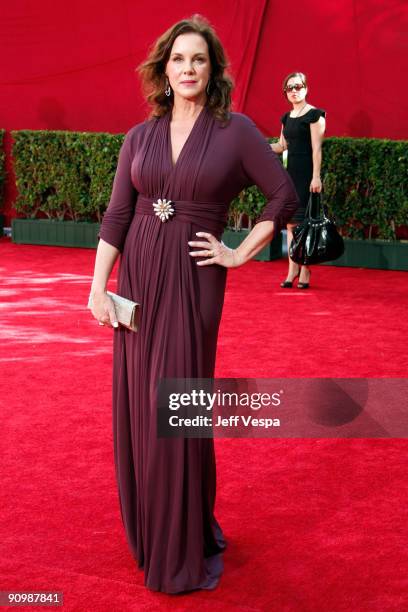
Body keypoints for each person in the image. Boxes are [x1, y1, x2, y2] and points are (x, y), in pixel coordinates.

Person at [89, 15, 298, 594]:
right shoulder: (139, 136)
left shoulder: (235, 132)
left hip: (193, 279)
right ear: (163, 69)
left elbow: (284, 193)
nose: (187, 69)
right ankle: (164, 528)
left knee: (174, 406)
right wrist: (97, 287)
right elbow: (116, 217)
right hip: (136, 283)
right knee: (140, 404)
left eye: (198, 60)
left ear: (213, 70)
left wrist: (239, 253)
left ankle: (178, 544)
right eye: (178, 59)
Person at [271, 72, 326, 289]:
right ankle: (292, 268)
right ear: (285, 93)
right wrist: (256, 146)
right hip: (290, 176)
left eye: (298, 86)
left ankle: (305, 268)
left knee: (306, 224)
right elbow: (281, 146)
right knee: (291, 223)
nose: (294, 90)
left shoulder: (315, 115)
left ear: (306, 88)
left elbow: (317, 149)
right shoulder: (286, 118)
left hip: (307, 176)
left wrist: (316, 177)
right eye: (289, 88)